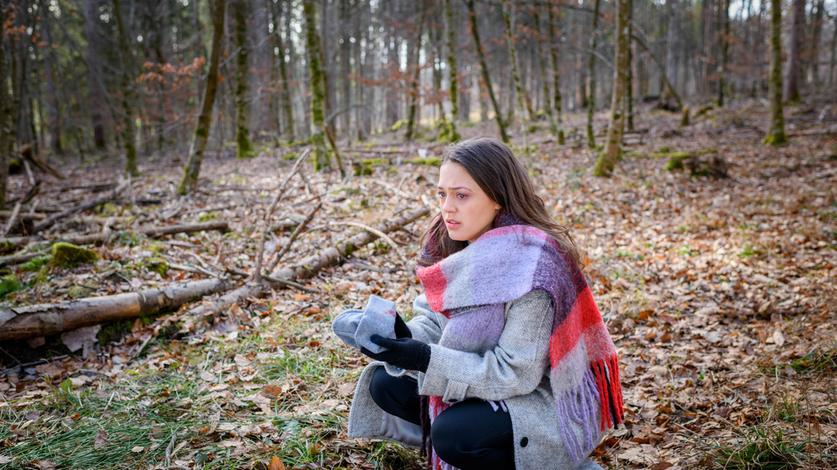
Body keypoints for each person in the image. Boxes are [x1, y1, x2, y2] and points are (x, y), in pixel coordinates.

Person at [342, 137, 624, 470]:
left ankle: (556, 463)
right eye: (442, 194)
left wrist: (422, 358)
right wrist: (403, 337)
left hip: (541, 398)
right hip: (480, 377)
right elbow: (435, 323)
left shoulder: (534, 266)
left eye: (461, 195)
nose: (447, 207)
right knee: (385, 383)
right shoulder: (452, 243)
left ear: (497, 198)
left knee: (454, 434)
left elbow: (514, 374)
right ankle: (475, 448)